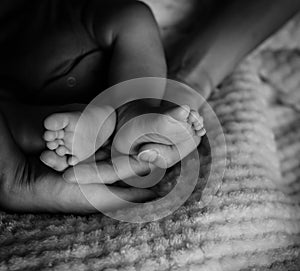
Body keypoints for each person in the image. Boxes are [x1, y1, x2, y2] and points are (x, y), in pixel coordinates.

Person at [0, 0, 299, 213]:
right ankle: (118, 115)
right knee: (132, 17)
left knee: (131, 15)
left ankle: (123, 113)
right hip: (47, 57)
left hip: (50, 42)